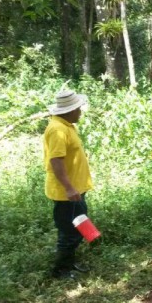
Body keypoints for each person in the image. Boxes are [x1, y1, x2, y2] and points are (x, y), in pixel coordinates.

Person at [44, 90, 93, 279]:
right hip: (67, 193)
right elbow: (55, 160)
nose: (80, 111)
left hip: (76, 189)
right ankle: (60, 271)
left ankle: (70, 263)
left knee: (78, 228)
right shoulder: (57, 129)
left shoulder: (67, 125)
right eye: (78, 109)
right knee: (69, 232)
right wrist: (69, 188)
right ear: (69, 110)